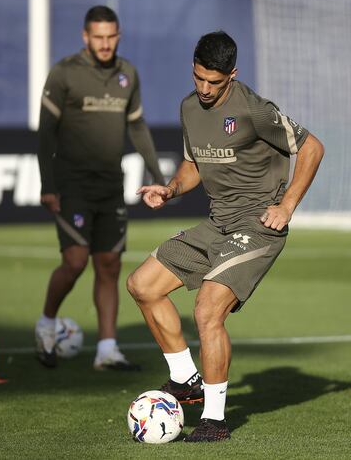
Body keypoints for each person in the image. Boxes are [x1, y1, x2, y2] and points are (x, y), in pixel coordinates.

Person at [126, 31, 324, 441]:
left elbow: (312, 149)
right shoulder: (189, 107)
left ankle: (214, 421)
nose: (204, 89)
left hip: (257, 228)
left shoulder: (254, 109)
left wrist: (286, 205)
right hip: (217, 224)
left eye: (214, 82)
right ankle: (185, 379)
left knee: (206, 310)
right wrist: (171, 189)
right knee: (142, 284)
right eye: (199, 78)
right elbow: (193, 165)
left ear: (231, 75)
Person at [35, 5, 164, 370]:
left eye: (111, 37)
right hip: (72, 184)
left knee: (108, 264)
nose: (105, 44)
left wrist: (157, 174)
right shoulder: (64, 73)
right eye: (98, 37)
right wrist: (48, 185)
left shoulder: (128, 75)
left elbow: (137, 128)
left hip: (111, 186)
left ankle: (107, 350)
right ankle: (46, 323)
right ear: (85, 37)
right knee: (75, 261)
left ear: (118, 36)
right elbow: (46, 133)